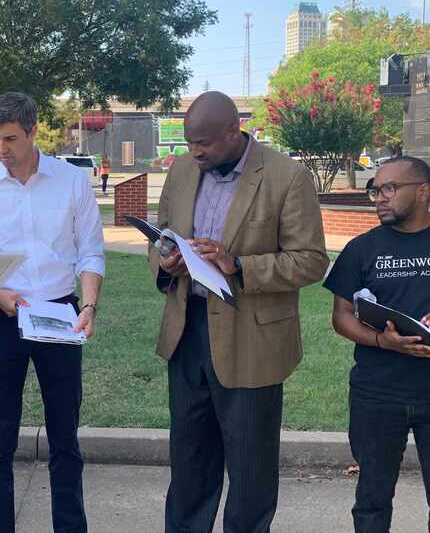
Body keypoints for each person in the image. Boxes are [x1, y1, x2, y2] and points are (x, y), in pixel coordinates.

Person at [149, 91, 329, 533]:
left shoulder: (288, 177)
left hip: (253, 341)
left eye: (204, 143)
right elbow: (161, 238)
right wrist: (167, 261)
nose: (195, 152)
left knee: (250, 471)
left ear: (234, 130)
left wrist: (239, 266)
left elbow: (311, 260)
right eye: (190, 143)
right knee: (189, 462)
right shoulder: (184, 171)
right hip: (186, 334)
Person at [0, 92, 104, 533]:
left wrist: (90, 305)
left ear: (34, 131)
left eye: (11, 139)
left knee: (65, 437)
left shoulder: (71, 181)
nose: (2, 149)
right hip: (3, 317)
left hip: (60, 313)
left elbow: (91, 252)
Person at [324, 156, 430, 532]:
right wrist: (383, 342)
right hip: (377, 392)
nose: (379, 198)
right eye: (375, 190)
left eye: (389, 188)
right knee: (372, 498)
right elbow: (341, 317)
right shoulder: (361, 249)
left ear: (422, 191)